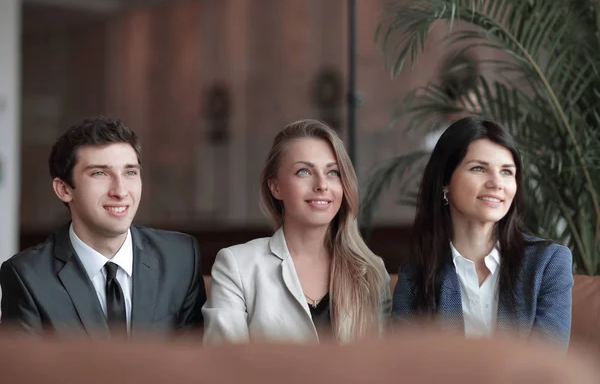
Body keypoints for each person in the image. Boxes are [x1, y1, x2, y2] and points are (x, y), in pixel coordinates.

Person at [0, 116, 206, 339]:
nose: (120, 191)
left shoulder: (181, 257)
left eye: (130, 172)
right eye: (100, 173)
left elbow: (192, 361)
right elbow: (25, 371)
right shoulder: (27, 276)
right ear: (64, 189)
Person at [203, 119, 391, 344]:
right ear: (275, 187)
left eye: (333, 172)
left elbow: (382, 366)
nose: (322, 184)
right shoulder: (237, 265)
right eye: (304, 171)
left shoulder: (371, 271)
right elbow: (224, 367)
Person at [392, 117, 573, 349]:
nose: (497, 183)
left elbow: (546, 366)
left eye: (507, 172)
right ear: (444, 182)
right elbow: (410, 369)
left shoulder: (547, 263)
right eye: (479, 168)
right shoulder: (414, 279)